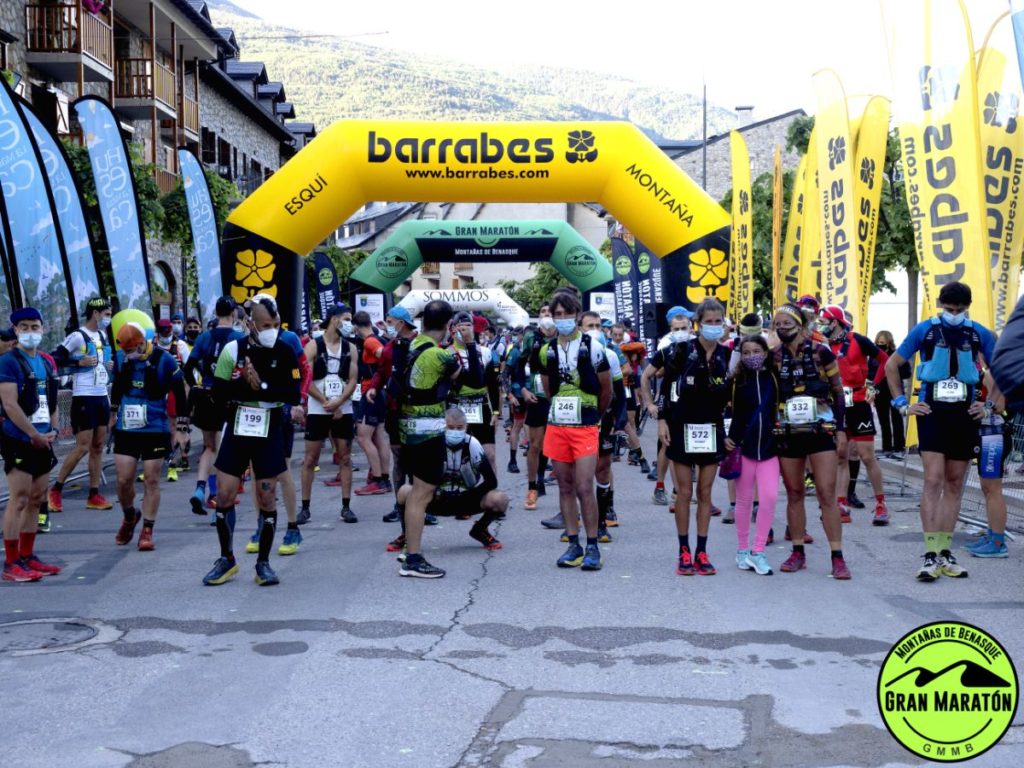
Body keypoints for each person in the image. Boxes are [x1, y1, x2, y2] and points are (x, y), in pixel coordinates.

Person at [885, 282, 997, 582]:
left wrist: (989, 406)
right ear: (940, 304)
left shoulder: (979, 333)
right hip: (932, 411)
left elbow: (1001, 370)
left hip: (965, 413)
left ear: (968, 307)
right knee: (933, 480)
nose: (954, 314)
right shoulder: (925, 330)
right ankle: (930, 554)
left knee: (955, 483)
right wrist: (901, 404)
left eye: (959, 310)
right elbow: (892, 365)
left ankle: (945, 552)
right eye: (949, 309)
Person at [201, 295, 302, 587]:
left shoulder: (285, 350)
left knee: (267, 495)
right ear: (251, 324)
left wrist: (261, 386)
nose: (272, 330)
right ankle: (226, 559)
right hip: (238, 425)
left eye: (275, 324)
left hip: (269, 426)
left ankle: (263, 563)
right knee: (224, 494)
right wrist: (242, 382)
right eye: (265, 325)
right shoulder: (233, 350)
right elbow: (217, 393)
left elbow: (293, 393)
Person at [771, 302, 851, 579]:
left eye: (787, 324)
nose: (782, 329)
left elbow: (838, 392)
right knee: (794, 493)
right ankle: (797, 552)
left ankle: (837, 557)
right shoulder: (774, 356)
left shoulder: (821, 351)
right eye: (778, 325)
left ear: (801, 325)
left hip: (821, 430)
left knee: (826, 494)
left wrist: (841, 429)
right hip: (788, 431)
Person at [658, 298, 732, 576]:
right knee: (684, 492)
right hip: (681, 426)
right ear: (698, 324)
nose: (713, 326)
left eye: (718, 321)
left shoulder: (728, 355)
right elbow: (658, 381)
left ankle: (702, 550)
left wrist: (732, 431)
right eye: (708, 321)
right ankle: (683, 551)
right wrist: (660, 416)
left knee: (705, 492)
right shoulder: (681, 350)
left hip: (712, 429)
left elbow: (735, 394)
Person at [541, 289, 612, 570]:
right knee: (565, 486)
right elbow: (548, 390)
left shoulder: (593, 347)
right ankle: (573, 544)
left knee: (584, 486)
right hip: (558, 425)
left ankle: (593, 545)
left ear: (576, 315)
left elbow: (606, 390)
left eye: (567, 314)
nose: (562, 319)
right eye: (557, 314)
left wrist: (594, 417)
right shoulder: (547, 350)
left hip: (586, 425)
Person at [397, 299, 464, 578]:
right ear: (449, 325)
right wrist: (462, 344)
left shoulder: (413, 344)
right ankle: (413, 558)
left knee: (415, 489)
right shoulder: (439, 355)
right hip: (428, 431)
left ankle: (409, 547)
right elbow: (462, 375)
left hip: (407, 428)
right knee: (422, 494)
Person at [109, 321, 187, 551]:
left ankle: (147, 531)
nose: (128, 354)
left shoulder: (164, 360)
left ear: (142, 343)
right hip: (127, 427)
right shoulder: (121, 359)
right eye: (125, 350)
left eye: (132, 349)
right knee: (123, 480)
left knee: (151, 479)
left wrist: (181, 428)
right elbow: (117, 386)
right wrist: (112, 414)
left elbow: (180, 391)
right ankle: (130, 516)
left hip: (155, 426)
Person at [0, 308, 61, 581]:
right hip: (18, 437)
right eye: (23, 327)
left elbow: (52, 400)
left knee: (37, 498)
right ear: (15, 330)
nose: (29, 331)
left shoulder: (46, 362)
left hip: (44, 437)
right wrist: (32, 434)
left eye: (34, 326)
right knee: (20, 498)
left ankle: (28, 555)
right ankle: (11, 562)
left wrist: (54, 430)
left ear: (42, 329)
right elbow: (10, 404)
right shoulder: (8, 362)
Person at [395, 407, 506, 552]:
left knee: (500, 499)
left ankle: (480, 530)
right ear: (443, 426)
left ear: (466, 427)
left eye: (459, 428)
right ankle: (407, 535)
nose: (455, 431)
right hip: (435, 499)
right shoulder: (432, 444)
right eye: (450, 427)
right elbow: (414, 478)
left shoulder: (473, 444)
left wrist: (469, 496)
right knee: (404, 492)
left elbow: (491, 481)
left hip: (465, 500)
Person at [818, 305, 890, 525]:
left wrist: (874, 385)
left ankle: (881, 504)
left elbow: (885, 360)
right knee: (841, 455)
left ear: (835, 322)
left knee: (866, 455)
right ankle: (841, 504)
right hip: (836, 404)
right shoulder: (823, 345)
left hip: (858, 402)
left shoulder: (857, 339)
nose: (821, 326)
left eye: (824, 322)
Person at [49, 296, 114, 514]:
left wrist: (107, 365)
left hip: (101, 395)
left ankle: (94, 494)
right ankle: (55, 489)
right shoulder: (78, 335)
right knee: (83, 446)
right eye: (106, 314)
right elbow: (55, 357)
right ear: (95, 314)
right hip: (84, 397)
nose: (109, 318)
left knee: (98, 447)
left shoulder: (102, 335)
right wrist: (78, 361)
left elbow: (100, 362)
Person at [184, 297, 245, 517]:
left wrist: (195, 386)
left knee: (209, 447)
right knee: (222, 449)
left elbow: (188, 367)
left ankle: (201, 488)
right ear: (234, 313)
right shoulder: (238, 338)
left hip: (205, 394)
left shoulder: (204, 337)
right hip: (227, 398)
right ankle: (218, 497)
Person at [300, 303, 358, 525]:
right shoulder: (313, 345)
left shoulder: (350, 348)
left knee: (345, 456)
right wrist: (326, 402)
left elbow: (353, 379)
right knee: (310, 458)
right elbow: (305, 379)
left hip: (343, 406)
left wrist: (340, 401)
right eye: (346, 319)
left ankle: (346, 506)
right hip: (319, 407)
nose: (349, 324)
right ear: (334, 319)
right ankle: (305, 507)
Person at [726, 335, 779, 575]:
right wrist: (725, 437)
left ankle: (758, 551)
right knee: (744, 501)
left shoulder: (774, 377)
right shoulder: (736, 381)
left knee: (769, 498)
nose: (751, 356)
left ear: (765, 353)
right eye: (746, 352)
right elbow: (725, 411)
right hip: (743, 448)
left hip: (770, 449)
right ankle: (742, 550)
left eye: (756, 351)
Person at [641, 306, 694, 504]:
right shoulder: (665, 350)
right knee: (667, 444)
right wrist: (649, 403)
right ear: (671, 329)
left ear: (690, 328)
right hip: (669, 402)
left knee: (689, 447)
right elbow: (646, 376)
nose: (680, 332)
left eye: (684, 328)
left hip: (691, 403)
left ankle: (683, 490)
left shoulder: (697, 348)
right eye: (676, 329)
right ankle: (662, 487)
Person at [581, 311, 625, 541]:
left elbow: (619, 391)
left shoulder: (611, 355)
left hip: (604, 418)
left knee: (603, 468)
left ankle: (601, 522)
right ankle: (578, 519)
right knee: (580, 472)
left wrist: (620, 419)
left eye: (598, 325)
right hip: (578, 420)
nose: (595, 330)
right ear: (580, 328)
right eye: (590, 326)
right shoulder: (571, 353)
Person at [447, 311, 498, 470]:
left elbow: (492, 384)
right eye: (460, 326)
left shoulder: (485, 352)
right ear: (453, 329)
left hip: (481, 405)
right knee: (458, 455)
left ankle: (492, 485)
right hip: (457, 405)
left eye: (468, 325)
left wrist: (496, 412)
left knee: (489, 455)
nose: (465, 330)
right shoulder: (446, 353)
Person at [519, 306, 556, 512]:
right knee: (535, 444)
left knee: (554, 445)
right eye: (543, 312)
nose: (547, 315)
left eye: (550, 312)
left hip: (560, 397)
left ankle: (544, 476)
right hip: (537, 397)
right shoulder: (531, 338)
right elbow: (517, 365)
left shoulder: (565, 337)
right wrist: (522, 389)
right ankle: (532, 487)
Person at [352, 310, 391, 496]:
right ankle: (384, 479)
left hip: (371, 392)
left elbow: (384, 355)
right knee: (378, 437)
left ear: (355, 327)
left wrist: (376, 381)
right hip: (379, 392)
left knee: (363, 438)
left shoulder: (369, 341)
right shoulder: (377, 338)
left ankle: (377, 480)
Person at [155, 317, 192, 480]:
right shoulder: (152, 345)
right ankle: (166, 458)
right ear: (158, 332)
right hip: (158, 390)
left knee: (175, 426)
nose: (166, 334)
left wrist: (189, 390)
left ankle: (176, 461)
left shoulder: (181, 345)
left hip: (175, 389)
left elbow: (189, 369)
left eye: (168, 331)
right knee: (160, 426)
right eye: (163, 331)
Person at [610, 323, 649, 476]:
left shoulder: (624, 347)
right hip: (606, 390)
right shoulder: (605, 347)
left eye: (620, 335)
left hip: (625, 387)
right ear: (610, 334)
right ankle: (613, 450)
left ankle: (638, 456)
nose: (617, 337)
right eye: (615, 335)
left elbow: (630, 367)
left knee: (629, 422)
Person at [873, 331, 907, 458]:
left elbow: (907, 372)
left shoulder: (897, 355)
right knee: (883, 421)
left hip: (895, 391)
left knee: (897, 419)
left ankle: (899, 447)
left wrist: (893, 372)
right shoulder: (874, 356)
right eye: (878, 342)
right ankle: (886, 448)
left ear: (889, 342)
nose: (879, 344)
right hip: (880, 392)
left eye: (882, 342)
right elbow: (870, 372)